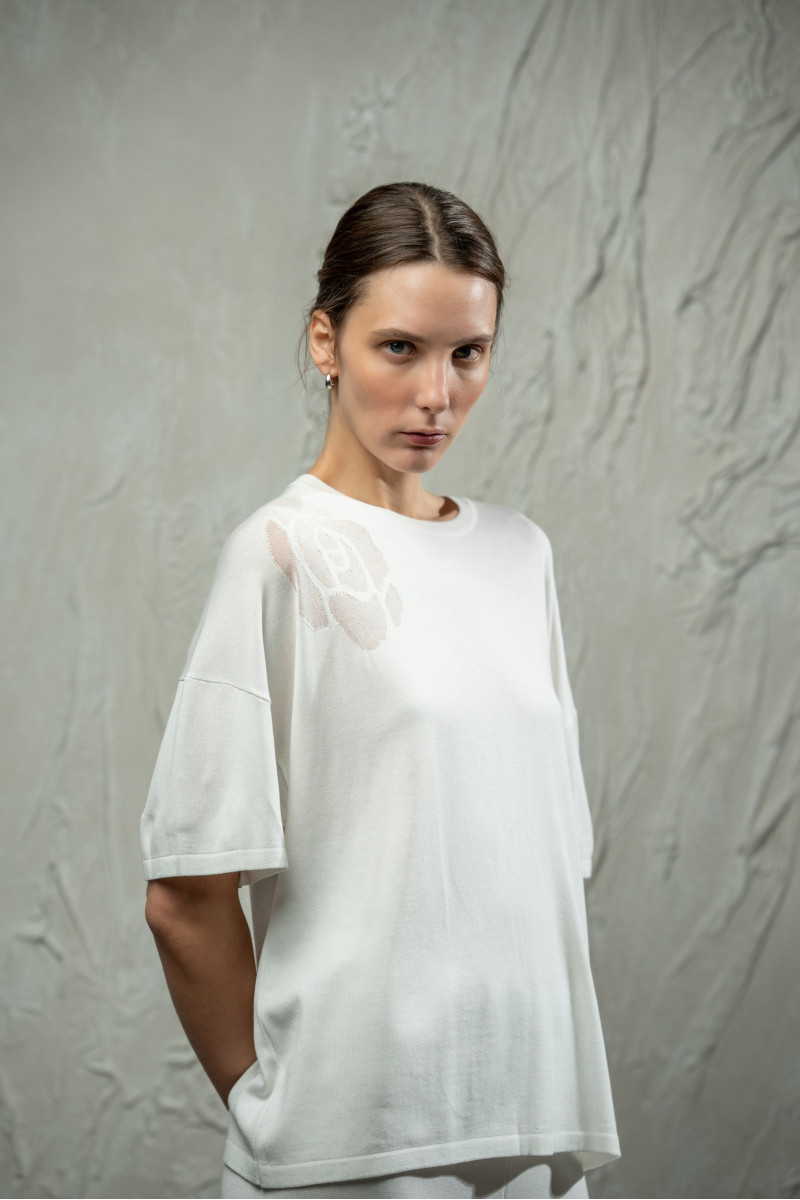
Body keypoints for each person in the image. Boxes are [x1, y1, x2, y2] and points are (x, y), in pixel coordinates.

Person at [140, 181, 621, 1200]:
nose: (436, 393)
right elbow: (185, 898)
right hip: (357, 1148)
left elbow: (541, 861)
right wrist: (274, 1112)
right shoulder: (279, 554)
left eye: (468, 353)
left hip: (535, 1122)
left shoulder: (520, 556)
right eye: (399, 347)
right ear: (326, 341)